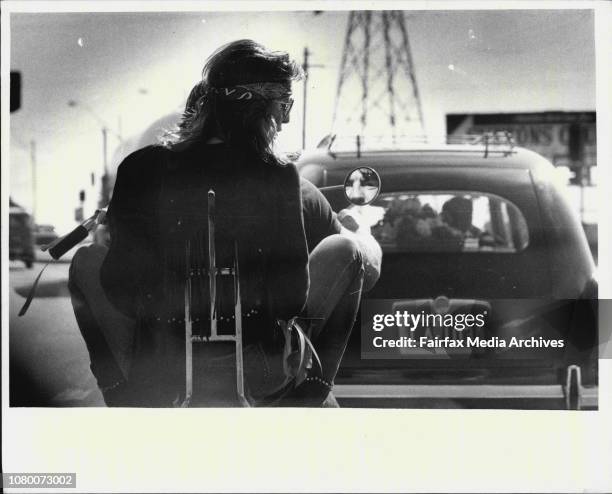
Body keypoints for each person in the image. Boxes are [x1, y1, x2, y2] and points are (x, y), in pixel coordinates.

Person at [68, 39, 382, 407]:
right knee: (346, 248)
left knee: (86, 261)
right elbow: (291, 296)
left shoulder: (139, 167)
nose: (286, 120)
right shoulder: (278, 174)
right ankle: (313, 389)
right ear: (256, 110)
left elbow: (119, 287)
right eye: (284, 106)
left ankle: (120, 393)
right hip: (259, 372)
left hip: (159, 369)